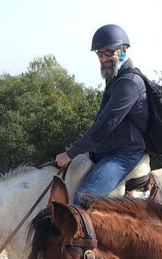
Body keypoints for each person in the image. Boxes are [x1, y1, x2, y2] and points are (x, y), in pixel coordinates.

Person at [55, 24, 149, 197]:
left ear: (123, 50)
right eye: (99, 53)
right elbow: (100, 121)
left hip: (122, 155)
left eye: (109, 53)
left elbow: (105, 125)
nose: (103, 58)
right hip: (108, 151)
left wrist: (70, 154)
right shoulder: (114, 79)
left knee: (82, 199)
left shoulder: (128, 83)